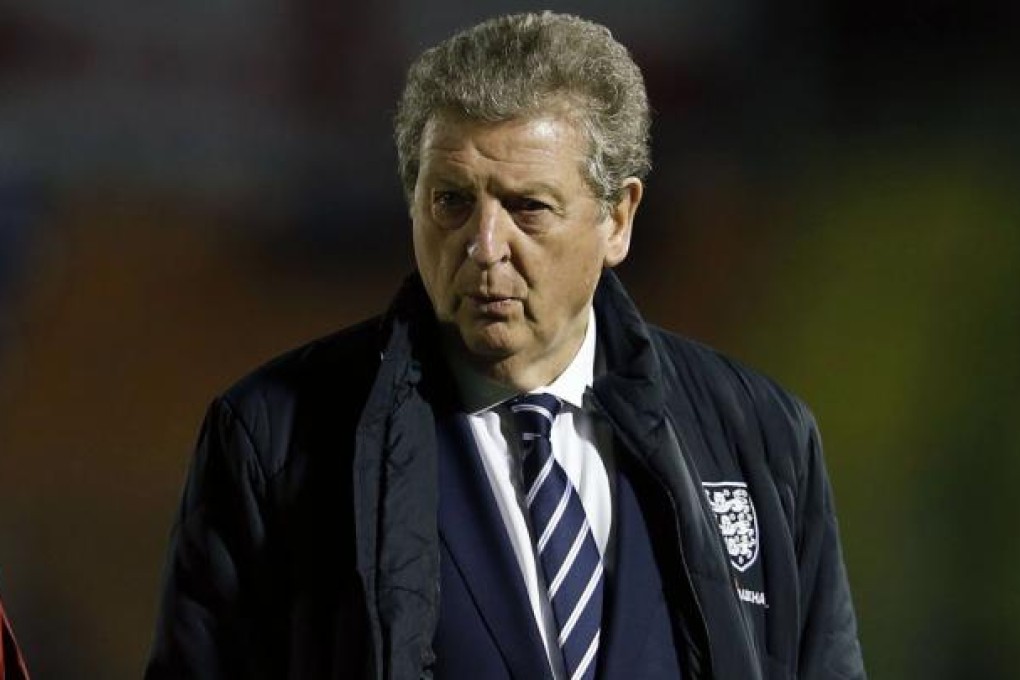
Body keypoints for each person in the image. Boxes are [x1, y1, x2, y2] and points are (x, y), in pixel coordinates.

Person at [145, 11, 865, 680]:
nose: (485, 248)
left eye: (527, 207)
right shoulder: (271, 439)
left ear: (618, 218)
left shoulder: (760, 437)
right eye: (452, 202)